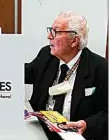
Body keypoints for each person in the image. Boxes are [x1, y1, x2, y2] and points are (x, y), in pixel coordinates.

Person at [25, 11, 108, 140]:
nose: (49, 36)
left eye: (56, 32)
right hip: (42, 132)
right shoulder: (46, 55)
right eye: (50, 30)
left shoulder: (100, 68)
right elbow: (25, 73)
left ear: (74, 40)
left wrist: (88, 124)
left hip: (75, 135)